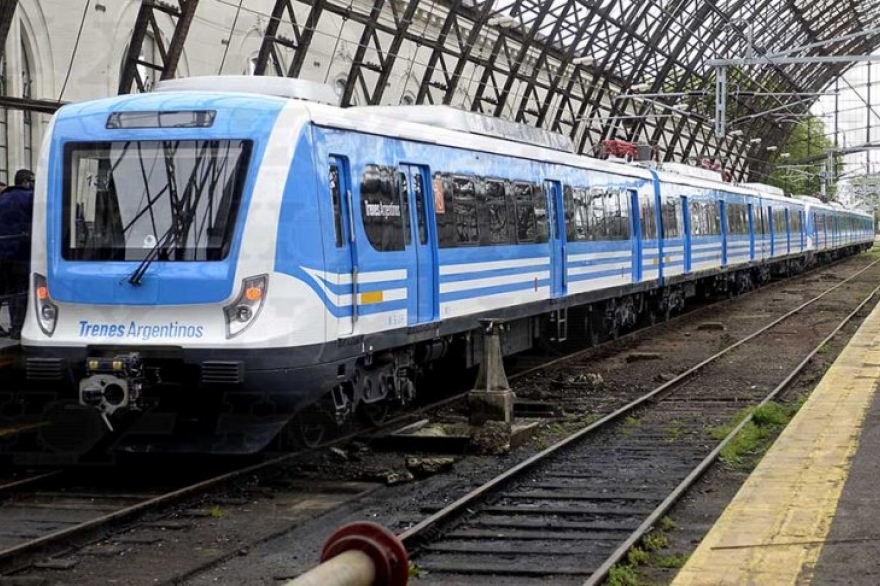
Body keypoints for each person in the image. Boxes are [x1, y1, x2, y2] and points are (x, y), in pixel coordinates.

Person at [0, 169, 35, 339]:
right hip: (22, 252)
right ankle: (18, 327)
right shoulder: (29, 197)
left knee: (8, 290)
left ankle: (11, 327)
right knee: (21, 291)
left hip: (3, 252)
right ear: (26, 181)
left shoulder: (3, 198)